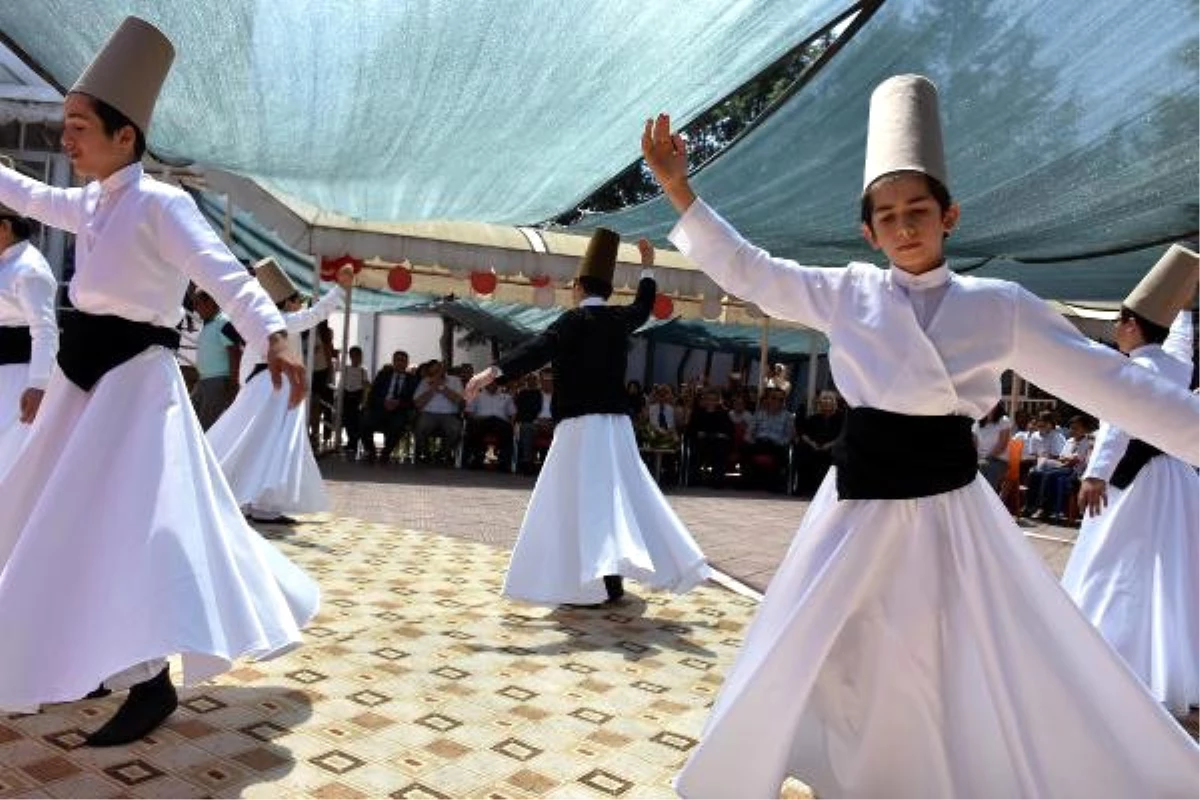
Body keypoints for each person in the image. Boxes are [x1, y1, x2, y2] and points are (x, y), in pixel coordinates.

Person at [643, 75, 1200, 798]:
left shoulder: (999, 307)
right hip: (854, 511)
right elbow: (753, 272)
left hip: (947, 512)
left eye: (919, 210)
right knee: (829, 647)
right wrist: (680, 190)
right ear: (869, 231)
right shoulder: (848, 291)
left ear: (949, 216)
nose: (905, 226)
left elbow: (1112, 384)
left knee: (945, 653)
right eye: (888, 215)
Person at [0, 17, 316, 747]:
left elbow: (222, 273)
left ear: (125, 137)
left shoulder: (163, 204)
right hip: (84, 386)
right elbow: (25, 193)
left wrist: (274, 335)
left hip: (135, 392)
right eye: (65, 126)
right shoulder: (92, 202)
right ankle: (88, 658)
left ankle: (149, 683)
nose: (66, 139)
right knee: (59, 518)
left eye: (79, 127)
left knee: (125, 531)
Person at [465, 231, 709, 606]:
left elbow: (536, 351)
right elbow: (644, 306)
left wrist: (491, 373)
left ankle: (589, 580)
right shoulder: (618, 319)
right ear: (606, 290)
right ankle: (609, 581)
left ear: (578, 286)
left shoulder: (572, 321)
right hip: (617, 427)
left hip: (580, 426)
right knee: (619, 499)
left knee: (576, 501)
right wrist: (647, 267)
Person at [1062, 246, 1200, 715]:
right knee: (1170, 572)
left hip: (1136, 485)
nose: (1116, 329)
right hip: (1177, 481)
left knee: (1113, 562)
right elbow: (1179, 341)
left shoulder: (1134, 368)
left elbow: (1115, 425)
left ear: (1133, 325)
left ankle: (1111, 657)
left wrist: (1095, 476)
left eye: (1120, 321)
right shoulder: (1176, 366)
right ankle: (1164, 665)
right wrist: (1182, 305)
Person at [207, 257, 350, 523]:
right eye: (296, 298)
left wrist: (245, 390)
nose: (299, 304)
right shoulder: (280, 321)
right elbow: (315, 314)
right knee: (278, 445)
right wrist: (340, 289)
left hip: (258, 386)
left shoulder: (260, 323)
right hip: (278, 387)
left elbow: (248, 361)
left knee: (256, 443)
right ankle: (262, 503)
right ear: (286, 302)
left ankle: (252, 501)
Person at [0, 210, 57, 480]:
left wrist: (38, 384)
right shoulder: (8, 264)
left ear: (4, 228)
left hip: (18, 373)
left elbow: (45, 329)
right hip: (6, 370)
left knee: (10, 449)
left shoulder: (29, 268)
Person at [189, 288, 242, 430]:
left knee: (207, 427)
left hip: (218, 383)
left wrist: (233, 383)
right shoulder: (209, 324)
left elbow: (235, 353)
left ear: (211, 302)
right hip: (203, 382)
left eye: (198, 303)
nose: (195, 308)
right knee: (192, 423)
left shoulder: (223, 323)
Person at [365, 350, 418, 463]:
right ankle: (371, 451)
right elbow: (372, 394)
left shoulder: (412, 380)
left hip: (399, 410)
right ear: (393, 362)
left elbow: (414, 401)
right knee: (365, 421)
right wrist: (384, 402)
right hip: (381, 407)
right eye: (397, 360)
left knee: (398, 425)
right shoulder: (383, 375)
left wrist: (398, 403)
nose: (400, 363)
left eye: (403, 361)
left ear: (407, 363)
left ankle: (386, 453)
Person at [339, 345, 370, 458]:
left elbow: (365, 386)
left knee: (355, 420)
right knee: (347, 420)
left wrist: (364, 400)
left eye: (358, 356)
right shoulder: (345, 369)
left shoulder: (363, 370)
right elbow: (342, 383)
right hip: (347, 395)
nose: (356, 358)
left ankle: (354, 442)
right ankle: (351, 441)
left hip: (357, 396)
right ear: (350, 357)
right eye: (353, 356)